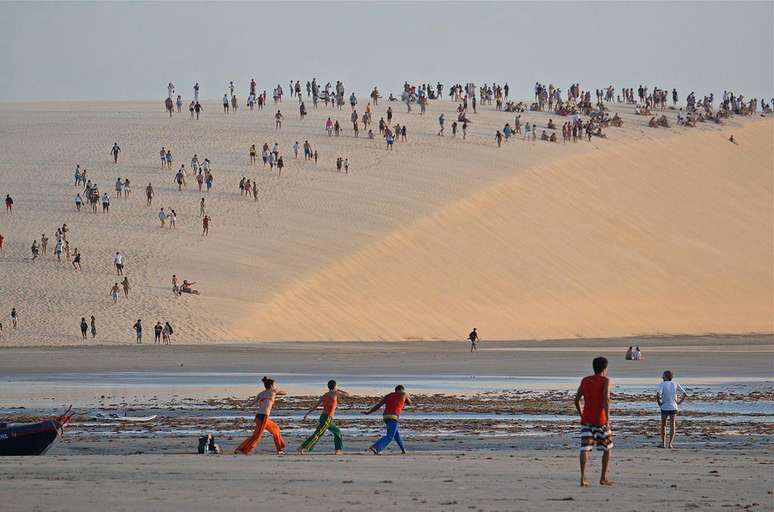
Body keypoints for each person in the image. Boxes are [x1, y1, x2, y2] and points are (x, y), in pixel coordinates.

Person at [574, 357, 613, 487]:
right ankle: (603, 477)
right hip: (600, 420)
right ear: (604, 369)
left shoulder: (585, 380)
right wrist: (607, 419)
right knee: (607, 448)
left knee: (584, 448)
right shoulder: (605, 380)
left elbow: (576, 400)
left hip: (586, 419)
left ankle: (582, 478)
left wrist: (581, 414)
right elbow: (606, 399)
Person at [235, 376, 287, 456]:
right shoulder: (273, 391)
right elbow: (285, 392)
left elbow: (252, 403)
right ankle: (242, 449)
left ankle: (279, 449)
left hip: (260, 416)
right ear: (272, 385)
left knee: (276, 429)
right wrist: (275, 389)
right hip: (263, 417)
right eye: (274, 385)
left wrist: (243, 406)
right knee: (257, 436)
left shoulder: (261, 393)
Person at [298, 380, 349, 455]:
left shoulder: (325, 395)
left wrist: (307, 414)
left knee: (337, 432)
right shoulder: (335, 393)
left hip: (324, 417)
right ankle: (302, 447)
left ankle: (338, 450)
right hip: (327, 418)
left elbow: (315, 406)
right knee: (318, 434)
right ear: (335, 386)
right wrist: (338, 389)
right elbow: (347, 394)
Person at [363, 385, 412, 455]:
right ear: (402, 390)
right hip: (394, 416)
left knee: (395, 434)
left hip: (386, 416)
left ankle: (403, 449)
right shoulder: (403, 394)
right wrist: (406, 398)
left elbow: (378, 405)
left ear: (395, 390)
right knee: (390, 436)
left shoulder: (388, 395)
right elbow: (410, 403)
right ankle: (376, 447)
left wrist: (369, 412)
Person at [656, 370, 687, 449]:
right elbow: (685, 394)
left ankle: (663, 443)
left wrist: (659, 403)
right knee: (672, 425)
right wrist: (679, 402)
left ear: (665, 377)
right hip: (674, 406)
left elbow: (658, 394)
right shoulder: (675, 383)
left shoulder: (662, 384)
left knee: (663, 425)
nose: (662, 377)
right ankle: (670, 444)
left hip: (665, 407)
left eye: (663, 376)